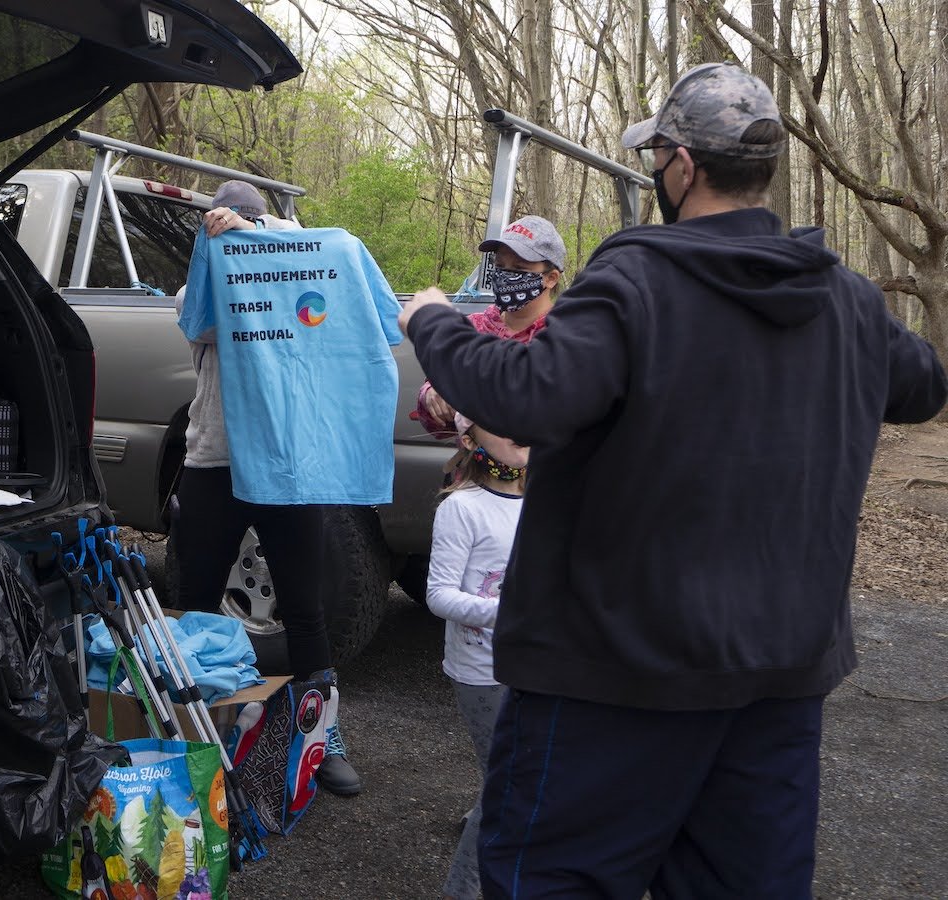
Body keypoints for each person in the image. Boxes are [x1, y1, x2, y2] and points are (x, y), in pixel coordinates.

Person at [398, 62, 948, 898]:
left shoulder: (636, 282)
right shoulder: (847, 298)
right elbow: (923, 387)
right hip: (777, 680)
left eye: (658, 158)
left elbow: (523, 395)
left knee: (551, 879)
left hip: (613, 679)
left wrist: (431, 318)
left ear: (681, 166)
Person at [172, 180, 362, 796]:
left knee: (305, 608)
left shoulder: (299, 273)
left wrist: (258, 233)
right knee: (195, 599)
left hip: (288, 465)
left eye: (249, 229)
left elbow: (319, 272)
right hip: (214, 462)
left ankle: (322, 737)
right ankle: (191, 730)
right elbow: (198, 322)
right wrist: (218, 244)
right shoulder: (200, 284)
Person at [425, 414, 527, 900]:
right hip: (482, 672)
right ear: (469, 437)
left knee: (510, 774)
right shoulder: (461, 509)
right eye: (502, 421)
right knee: (507, 788)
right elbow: (439, 596)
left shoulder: (543, 503)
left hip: (534, 666)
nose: (519, 429)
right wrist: (512, 614)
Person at [412, 216, 565, 438]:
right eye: (500, 266)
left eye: (519, 268)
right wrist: (432, 395)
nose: (504, 275)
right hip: (472, 471)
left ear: (551, 278)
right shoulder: (472, 328)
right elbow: (436, 421)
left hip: (542, 471)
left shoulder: (563, 337)